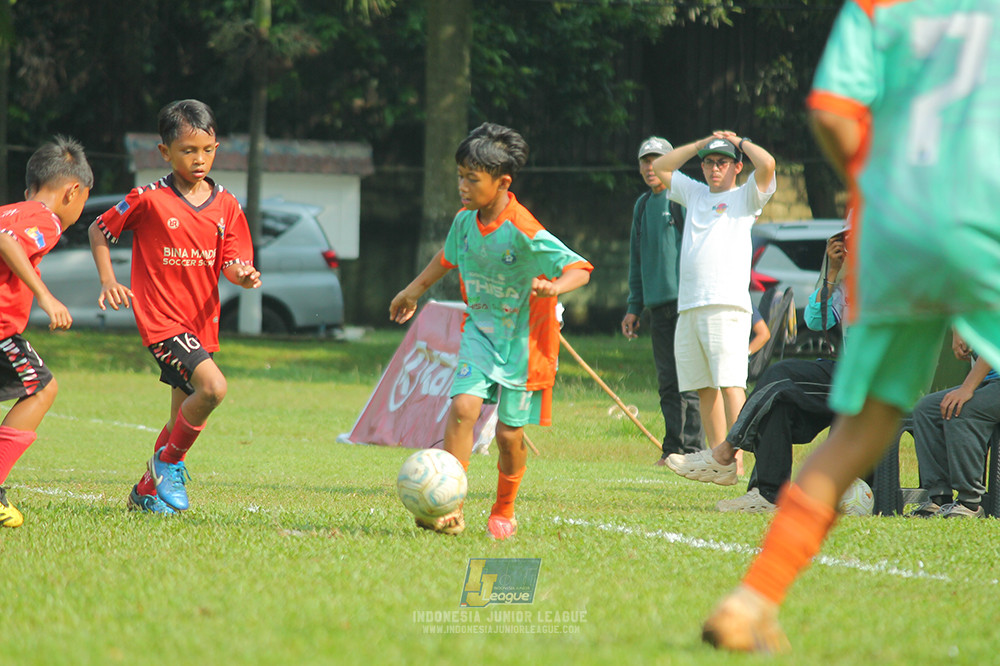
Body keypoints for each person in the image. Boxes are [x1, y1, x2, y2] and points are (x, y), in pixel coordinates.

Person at [701, 1, 1000, 653]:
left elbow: (832, 112)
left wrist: (884, 187)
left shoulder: (878, 6)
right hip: (986, 215)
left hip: (894, 224)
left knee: (857, 433)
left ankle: (754, 598)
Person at [389, 122, 592, 540]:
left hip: (523, 343)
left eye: (472, 179)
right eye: (460, 176)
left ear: (502, 183)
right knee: (463, 409)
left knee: (507, 435)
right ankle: (451, 505)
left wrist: (554, 286)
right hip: (479, 333)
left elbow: (580, 269)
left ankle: (504, 507)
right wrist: (411, 292)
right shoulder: (464, 223)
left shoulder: (523, 228)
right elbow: (445, 260)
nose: (462, 186)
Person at [89, 99, 261, 515]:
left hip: (202, 324)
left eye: (206, 150)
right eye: (187, 151)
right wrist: (109, 280)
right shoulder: (149, 199)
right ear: (165, 152)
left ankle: (146, 492)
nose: (198, 159)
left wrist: (244, 275)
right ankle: (169, 463)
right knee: (213, 388)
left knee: (178, 417)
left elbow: (233, 264)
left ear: (216, 147)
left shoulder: (228, 205)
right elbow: (99, 227)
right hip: (162, 321)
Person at [666, 229, 847, 513]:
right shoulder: (848, 284)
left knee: (780, 379)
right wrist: (832, 274)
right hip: (844, 370)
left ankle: (726, 453)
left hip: (872, 376)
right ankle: (767, 496)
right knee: (778, 392)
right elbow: (814, 320)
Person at [650, 131, 777, 471]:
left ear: (736, 167)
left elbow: (767, 163)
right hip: (690, 305)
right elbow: (661, 167)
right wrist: (701, 143)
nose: (713, 169)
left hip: (726, 305)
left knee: (731, 384)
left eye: (722, 162)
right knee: (704, 386)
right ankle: (720, 462)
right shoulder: (695, 193)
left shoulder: (746, 196)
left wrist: (742, 141)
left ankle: (743, 460)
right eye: (708, 163)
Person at [0, 137, 92, 527]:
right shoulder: (45, 218)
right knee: (42, 387)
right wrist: (46, 297)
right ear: (73, 192)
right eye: (85, 199)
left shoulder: (9, 209)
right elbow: (6, 242)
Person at [621, 136, 702, 465]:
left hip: (686, 306)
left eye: (657, 159)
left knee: (691, 381)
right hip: (658, 308)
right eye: (645, 160)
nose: (650, 167)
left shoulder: (680, 201)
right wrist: (633, 307)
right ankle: (672, 450)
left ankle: (695, 449)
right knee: (667, 381)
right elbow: (636, 260)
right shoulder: (642, 206)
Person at [908, 331, 1000, 518]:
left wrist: (967, 388)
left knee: (961, 408)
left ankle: (970, 503)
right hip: (991, 380)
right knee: (927, 409)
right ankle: (939, 498)